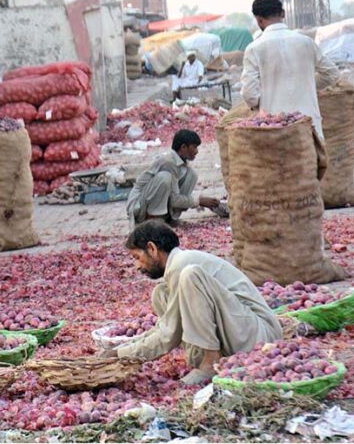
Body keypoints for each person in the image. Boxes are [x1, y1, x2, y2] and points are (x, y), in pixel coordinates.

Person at [104, 221, 282, 385]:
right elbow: (164, 327)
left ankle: (210, 361)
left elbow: (169, 335)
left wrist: (121, 354)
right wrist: (122, 349)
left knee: (191, 276)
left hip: (261, 335)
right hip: (241, 330)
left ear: (152, 249)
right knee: (160, 293)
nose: (137, 266)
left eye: (136, 257)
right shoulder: (178, 265)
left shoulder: (182, 266)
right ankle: (209, 356)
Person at [241, 0, 340, 139]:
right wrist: (308, 86)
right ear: (283, 13)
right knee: (312, 161)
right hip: (310, 126)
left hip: (275, 129)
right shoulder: (306, 42)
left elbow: (250, 95)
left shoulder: (254, 49)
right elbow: (332, 74)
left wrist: (262, 102)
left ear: (259, 20)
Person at [126, 130, 220, 229]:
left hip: (156, 202)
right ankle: (153, 219)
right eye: (194, 147)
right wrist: (199, 201)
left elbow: (175, 196)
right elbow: (175, 200)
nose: (196, 152)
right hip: (140, 207)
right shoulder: (168, 162)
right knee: (165, 177)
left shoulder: (182, 164)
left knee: (191, 175)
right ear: (183, 147)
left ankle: (168, 218)